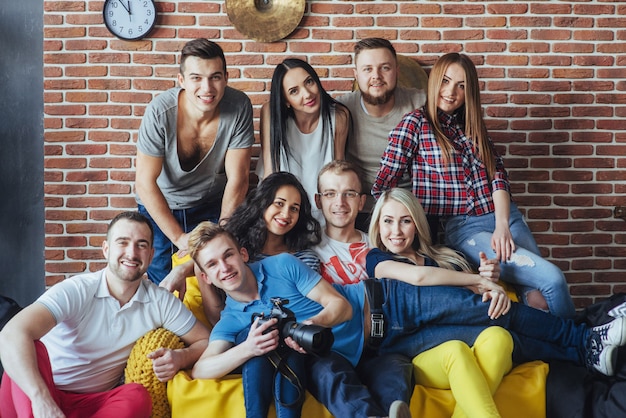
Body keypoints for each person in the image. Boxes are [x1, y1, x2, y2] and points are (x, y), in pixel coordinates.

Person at [188, 222, 626, 418]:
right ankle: (581, 356)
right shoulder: (232, 319)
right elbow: (205, 366)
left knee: (493, 308)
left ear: (242, 254)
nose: (225, 266)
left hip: (389, 303)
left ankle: (583, 338)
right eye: (213, 264)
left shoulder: (279, 266)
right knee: (486, 333)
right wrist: (250, 347)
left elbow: (337, 307)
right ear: (206, 275)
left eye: (229, 254)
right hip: (384, 347)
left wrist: (307, 333)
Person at [372, 52, 576, 319]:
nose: (450, 92)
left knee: (536, 297)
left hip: (506, 217)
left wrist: (503, 225)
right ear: (434, 81)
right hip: (465, 227)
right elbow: (384, 185)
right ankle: (583, 344)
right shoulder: (414, 125)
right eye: (445, 81)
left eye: (461, 86)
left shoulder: (472, 127)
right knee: (553, 279)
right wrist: (394, 223)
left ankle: (556, 350)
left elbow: (498, 177)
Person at [311, 161, 513, 418]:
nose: (340, 202)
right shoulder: (308, 253)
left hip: (401, 342)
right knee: (455, 352)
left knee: (497, 338)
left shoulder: (379, 245)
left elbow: (449, 289)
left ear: (361, 201)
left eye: (349, 193)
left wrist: (485, 280)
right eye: (330, 194)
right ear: (319, 201)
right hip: (357, 341)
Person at [0, 211, 210, 418]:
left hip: (93, 403)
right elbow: (11, 333)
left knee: (137, 396)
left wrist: (182, 357)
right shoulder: (78, 290)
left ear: (151, 255)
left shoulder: (160, 301)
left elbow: (206, 340)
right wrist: (42, 400)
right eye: (122, 242)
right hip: (37, 393)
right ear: (106, 249)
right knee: (30, 348)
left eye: (141, 245)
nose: (132, 253)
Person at [135, 38, 255, 284]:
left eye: (215, 77)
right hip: (162, 206)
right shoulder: (159, 112)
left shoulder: (240, 106)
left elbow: (239, 178)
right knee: (164, 282)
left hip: (211, 204)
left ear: (226, 78)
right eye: (196, 78)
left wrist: (222, 230)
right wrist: (179, 237)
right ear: (182, 81)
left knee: (215, 280)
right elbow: (145, 183)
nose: (207, 88)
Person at [160, 171, 322, 328]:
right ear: (263, 204)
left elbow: (304, 311)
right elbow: (218, 320)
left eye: (294, 208)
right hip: (234, 332)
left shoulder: (304, 258)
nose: (286, 214)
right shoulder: (237, 246)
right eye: (279, 203)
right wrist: (182, 269)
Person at [337, 38, 426, 230]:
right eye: (367, 69)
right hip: (362, 210)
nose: (376, 76)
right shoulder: (341, 110)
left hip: (411, 207)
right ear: (356, 75)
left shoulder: (421, 103)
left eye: (385, 68)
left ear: (397, 71)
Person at [256, 58, 351, 224]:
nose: (307, 94)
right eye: (294, 91)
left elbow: (338, 174)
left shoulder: (339, 115)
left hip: (323, 212)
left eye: (309, 82)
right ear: (285, 100)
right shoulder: (271, 113)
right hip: (282, 212)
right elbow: (270, 173)